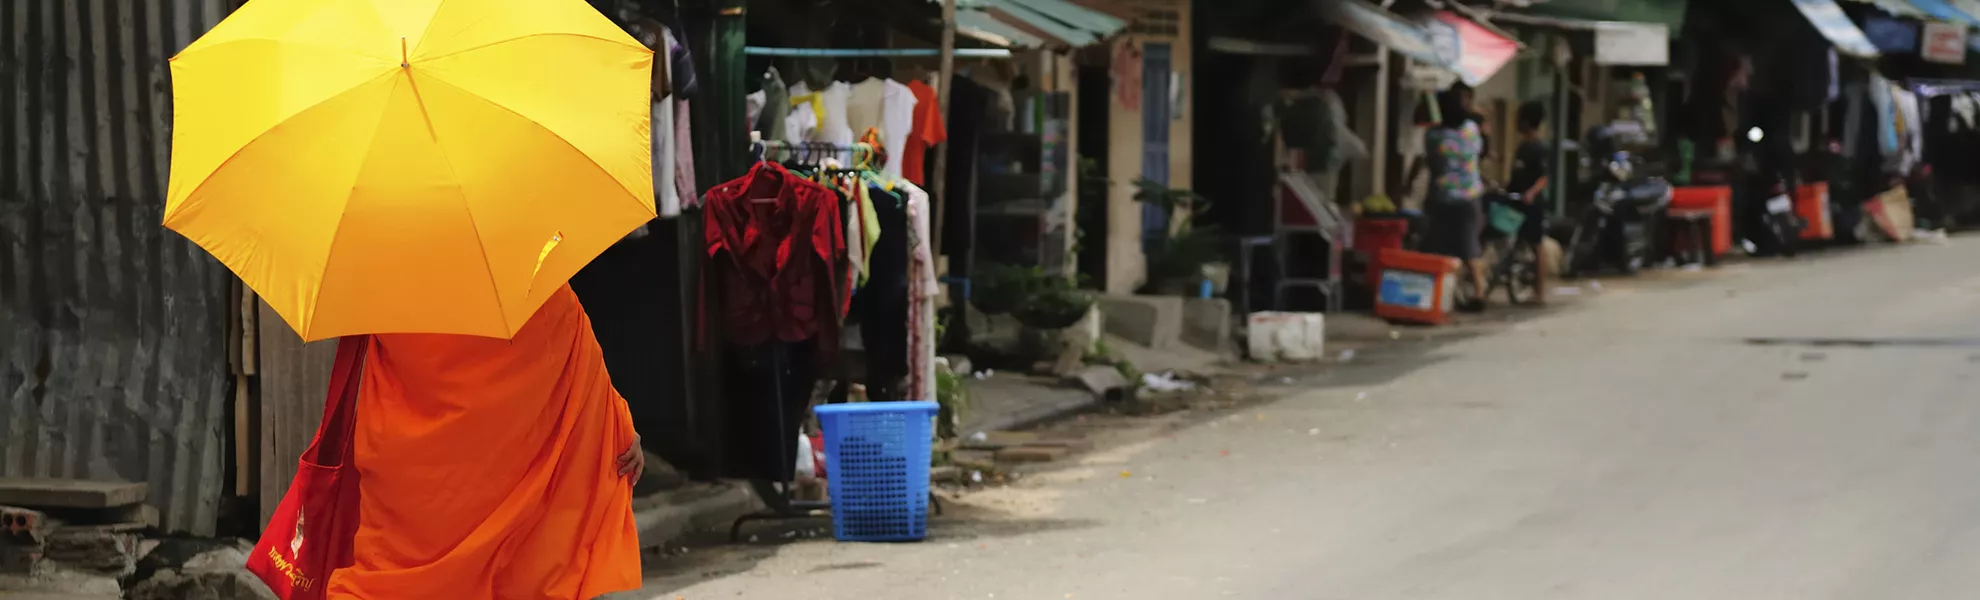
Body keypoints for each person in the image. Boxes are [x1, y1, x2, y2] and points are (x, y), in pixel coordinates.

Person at [325, 285, 646, 600]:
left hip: (416, 483)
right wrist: (617, 424)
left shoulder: (385, 283)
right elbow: (577, 368)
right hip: (521, 502)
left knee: (393, 578)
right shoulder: (528, 282)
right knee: (533, 570)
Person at [1414, 85, 1489, 311]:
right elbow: (1481, 150)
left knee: (1440, 246)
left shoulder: (1435, 136)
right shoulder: (1472, 130)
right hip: (1470, 196)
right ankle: (1479, 292)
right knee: (1468, 247)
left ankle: (1443, 295)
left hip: (1443, 197)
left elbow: (1430, 162)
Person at [1506, 100, 1551, 303]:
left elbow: (1544, 177)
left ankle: (1539, 292)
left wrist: (1531, 193)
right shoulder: (1523, 147)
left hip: (1532, 204)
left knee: (1536, 245)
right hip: (1516, 200)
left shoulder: (1538, 148)